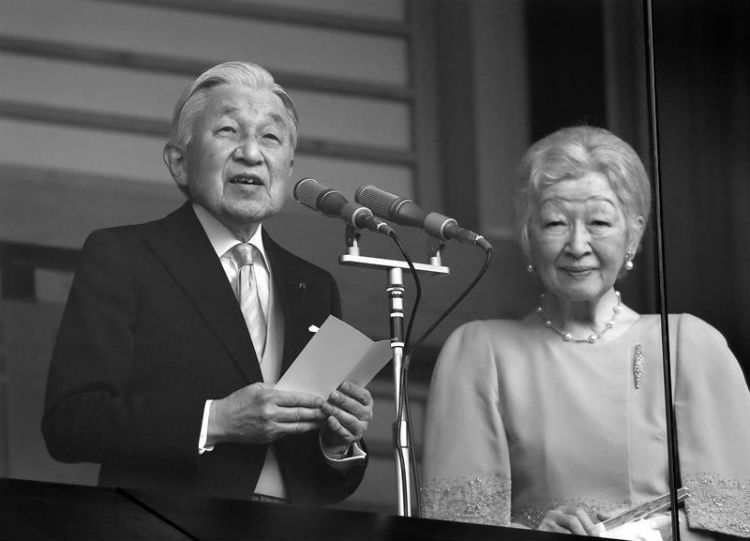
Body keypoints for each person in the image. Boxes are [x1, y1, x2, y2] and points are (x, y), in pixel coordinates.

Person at [42, 61, 373, 505]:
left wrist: (338, 444)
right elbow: (70, 424)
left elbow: (323, 480)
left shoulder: (313, 285)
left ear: (288, 169)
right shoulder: (123, 257)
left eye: (270, 137)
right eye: (228, 132)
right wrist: (214, 420)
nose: (252, 153)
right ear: (179, 161)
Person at [421, 126, 750, 539]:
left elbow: (734, 523)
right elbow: (456, 528)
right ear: (527, 236)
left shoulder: (687, 345)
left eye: (598, 222)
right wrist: (534, 533)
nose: (577, 244)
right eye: (555, 222)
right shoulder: (479, 351)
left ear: (633, 233)